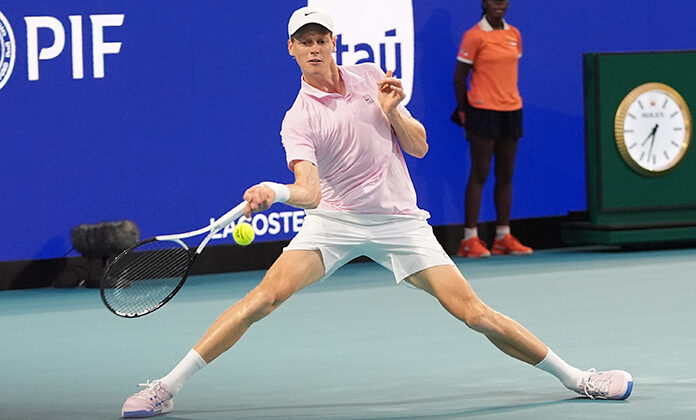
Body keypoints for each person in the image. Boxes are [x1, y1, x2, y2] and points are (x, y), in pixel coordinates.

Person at [121, 6, 633, 418]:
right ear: (291, 49)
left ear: (333, 43)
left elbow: (420, 146)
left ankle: (577, 378)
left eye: (321, 39)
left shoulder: (370, 77)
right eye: (304, 41)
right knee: (262, 299)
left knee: (474, 313)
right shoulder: (298, 118)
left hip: (399, 222)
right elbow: (310, 194)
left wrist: (392, 112)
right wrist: (275, 191)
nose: (314, 48)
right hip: (335, 222)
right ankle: (167, 386)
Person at [452, 0, 532, 258]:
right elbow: (459, 78)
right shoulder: (474, 36)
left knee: (506, 174)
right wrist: (464, 112)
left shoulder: (514, 34)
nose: (499, 3)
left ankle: (502, 237)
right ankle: (469, 239)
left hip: (512, 110)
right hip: (482, 110)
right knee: (480, 173)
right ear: (484, 3)